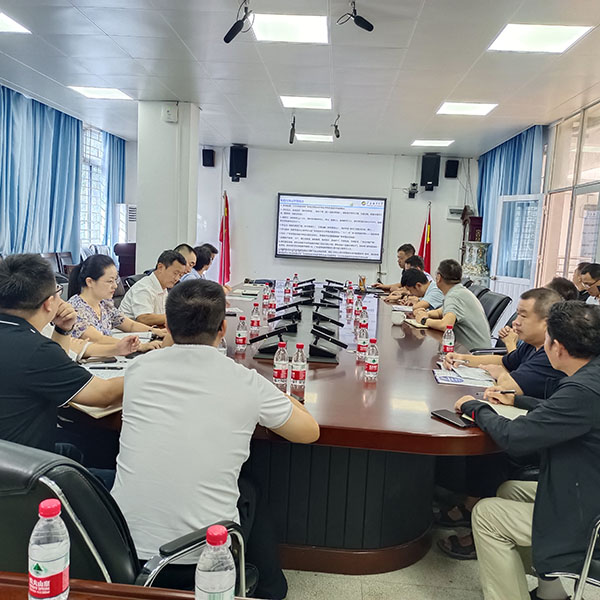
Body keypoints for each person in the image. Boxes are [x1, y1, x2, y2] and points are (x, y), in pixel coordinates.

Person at [111, 279, 320, 598]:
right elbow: (308, 432)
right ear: (223, 328)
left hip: (121, 547)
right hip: (203, 557)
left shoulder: (138, 370)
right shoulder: (245, 382)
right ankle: (269, 589)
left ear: (167, 325)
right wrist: (281, 396)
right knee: (249, 489)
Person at [454, 301, 600, 600]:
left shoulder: (581, 390)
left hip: (588, 514)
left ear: (557, 347)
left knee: (487, 515)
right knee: (509, 490)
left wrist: (475, 408)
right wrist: (518, 400)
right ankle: (549, 591)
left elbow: (514, 437)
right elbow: (564, 413)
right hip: (584, 486)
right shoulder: (590, 376)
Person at [0, 254, 123, 481]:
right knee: (113, 478)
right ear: (49, 303)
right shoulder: (34, 348)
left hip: (10, 452)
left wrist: (63, 330)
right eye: (58, 291)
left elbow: (54, 370)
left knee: (79, 448)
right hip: (23, 475)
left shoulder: (18, 336)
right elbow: (103, 395)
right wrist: (148, 370)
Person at [444, 288, 565, 398]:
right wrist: (462, 358)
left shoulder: (550, 355)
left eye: (523, 316)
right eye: (517, 314)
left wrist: (501, 373)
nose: (515, 322)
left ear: (546, 323)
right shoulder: (532, 345)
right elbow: (503, 361)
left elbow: (509, 388)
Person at [67, 254, 163, 352]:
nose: (115, 286)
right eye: (110, 281)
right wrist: (140, 346)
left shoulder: (104, 304)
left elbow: (130, 325)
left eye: (115, 280)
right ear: (90, 282)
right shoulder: (75, 309)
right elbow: (98, 339)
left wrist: (156, 332)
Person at [413, 259, 491, 350]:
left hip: (474, 354)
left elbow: (446, 325)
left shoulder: (454, 296)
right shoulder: (459, 291)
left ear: (439, 277)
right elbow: (440, 312)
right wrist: (425, 313)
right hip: (472, 350)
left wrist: (424, 320)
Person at [120, 250, 187, 326]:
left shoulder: (164, 288)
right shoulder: (144, 287)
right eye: (175, 273)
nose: (177, 278)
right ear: (160, 267)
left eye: (180, 275)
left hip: (148, 330)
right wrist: (175, 317)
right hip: (128, 332)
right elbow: (144, 318)